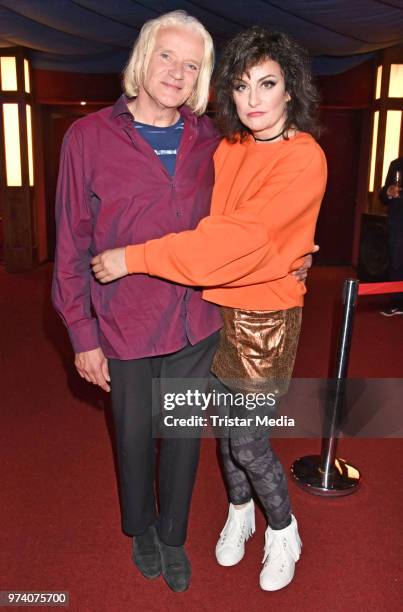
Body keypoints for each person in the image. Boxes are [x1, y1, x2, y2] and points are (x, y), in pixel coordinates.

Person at [52, 10, 314, 593]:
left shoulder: (214, 142)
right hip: (124, 322)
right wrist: (81, 333)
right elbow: (71, 243)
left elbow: (248, 221)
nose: (177, 71)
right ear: (143, 59)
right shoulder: (88, 137)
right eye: (167, 56)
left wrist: (297, 251)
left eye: (192, 64)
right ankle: (140, 528)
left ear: (201, 79)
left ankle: (172, 534)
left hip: (198, 320)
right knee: (134, 438)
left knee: (184, 438)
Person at [379, 157, 403, 316]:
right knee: (396, 263)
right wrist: (388, 192)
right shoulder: (396, 164)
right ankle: (397, 303)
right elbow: (382, 195)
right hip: (398, 222)